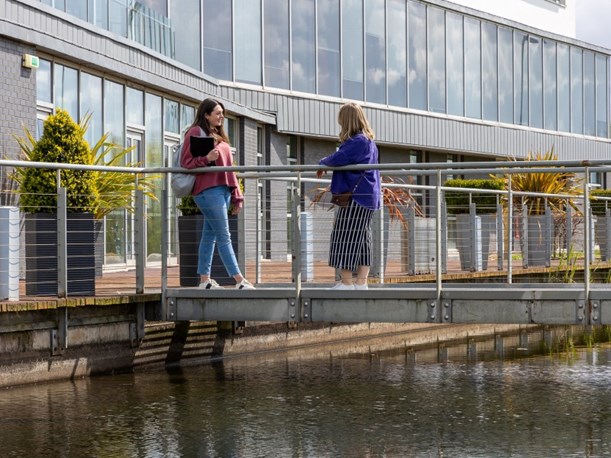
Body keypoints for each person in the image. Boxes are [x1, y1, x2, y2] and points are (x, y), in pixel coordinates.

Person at [181, 98, 255, 290]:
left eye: (222, 113)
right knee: (224, 235)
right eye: (217, 113)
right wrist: (206, 158)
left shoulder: (219, 136)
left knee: (210, 236)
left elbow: (230, 169)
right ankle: (239, 280)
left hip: (223, 191)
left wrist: (237, 195)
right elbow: (186, 163)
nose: (222, 116)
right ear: (206, 114)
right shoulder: (196, 132)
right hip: (207, 191)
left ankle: (204, 280)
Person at [317, 102, 381, 290]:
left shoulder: (357, 142)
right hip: (368, 196)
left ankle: (346, 283)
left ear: (346, 121)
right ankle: (361, 283)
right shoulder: (369, 141)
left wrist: (322, 163)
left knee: (343, 235)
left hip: (356, 197)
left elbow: (338, 159)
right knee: (362, 238)